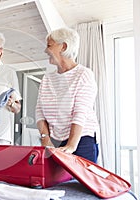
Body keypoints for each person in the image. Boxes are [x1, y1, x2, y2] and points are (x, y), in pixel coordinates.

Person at [35, 27, 99, 163]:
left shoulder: (83, 75)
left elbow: (80, 113)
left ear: (63, 47)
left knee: (79, 184)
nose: (45, 50)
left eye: (49, 46)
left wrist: (71, 146)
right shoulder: (47, 79)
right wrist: (45, 138)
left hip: (81, 141)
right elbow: (39, 111)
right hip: (54, 142)